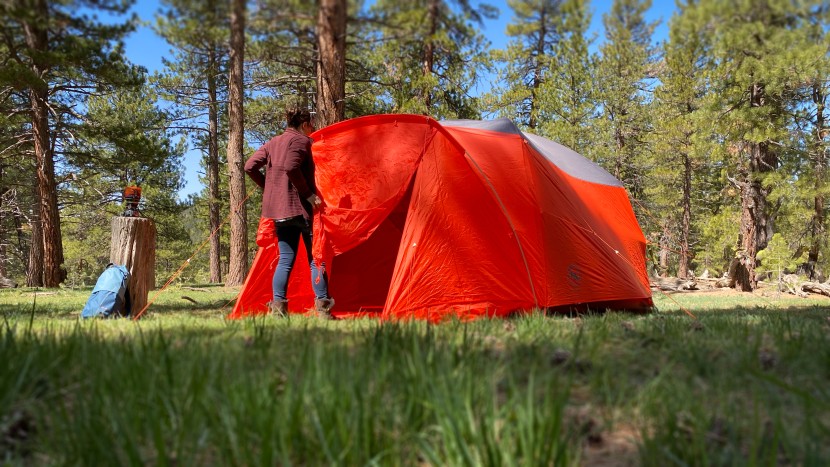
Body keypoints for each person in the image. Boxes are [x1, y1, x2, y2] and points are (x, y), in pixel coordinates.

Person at [244, 105, 335, 319]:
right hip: (301, 209)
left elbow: (249, 166)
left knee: (286, 259)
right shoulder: (302, 141)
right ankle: (323, 310)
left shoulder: (273, 142)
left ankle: (278, 310)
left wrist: (269, 187)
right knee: (316, 259)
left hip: (278, 211)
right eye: (311, 124)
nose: (313, 129)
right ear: (304, 124)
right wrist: (308, 194)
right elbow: (291, 166)